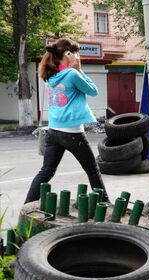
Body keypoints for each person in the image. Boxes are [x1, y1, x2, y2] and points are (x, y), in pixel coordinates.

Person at [25, 38, 109, 203]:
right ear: (67, 54)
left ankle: (26, 205)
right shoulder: (71, 74)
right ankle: (106, 205)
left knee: (46, 172)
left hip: (53, 132)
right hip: (72, 133)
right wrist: (79, 69)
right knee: (93, 171)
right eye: (75, 52)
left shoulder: (50, 74)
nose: (78, 55)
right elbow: (93, 91)